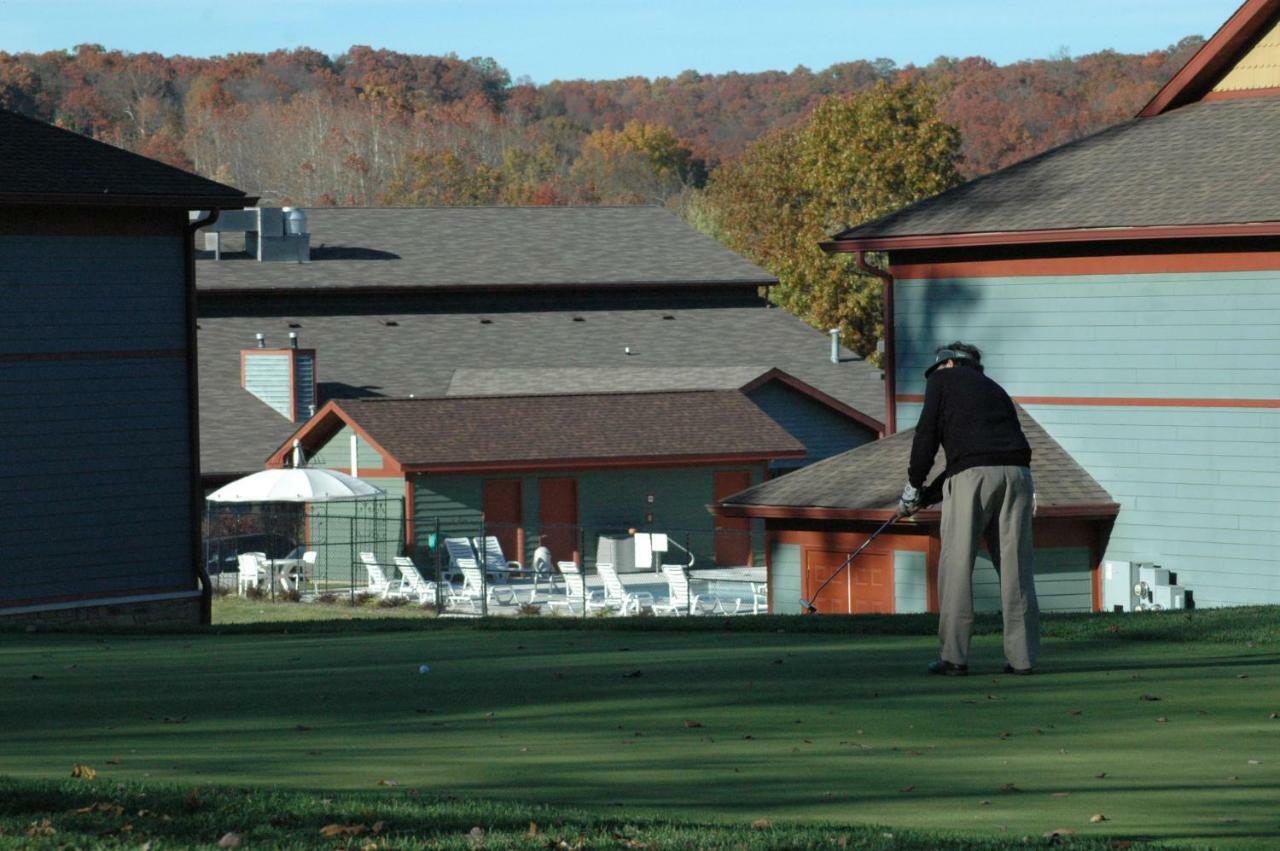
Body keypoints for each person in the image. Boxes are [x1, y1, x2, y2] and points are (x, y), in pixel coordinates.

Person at [898, 342, 1038, 676]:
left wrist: (913, 488)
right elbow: (977, 451)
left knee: (957, 566)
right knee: (1016, 569)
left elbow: (926, 435)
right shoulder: (996, 390)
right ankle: (1023, 660)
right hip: (1018, 475)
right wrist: (931, 494)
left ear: (946, 364)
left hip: (973, 478)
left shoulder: (941, 381)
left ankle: (954, 657)